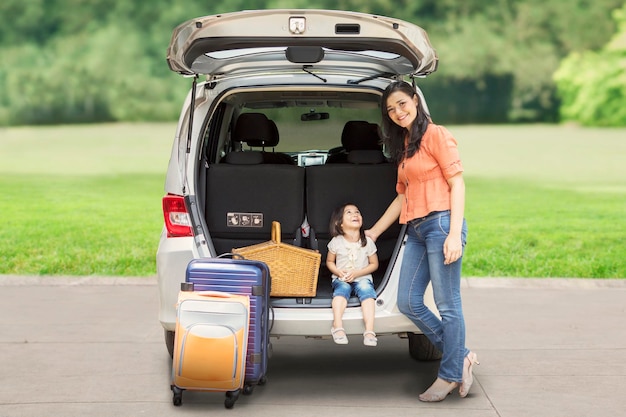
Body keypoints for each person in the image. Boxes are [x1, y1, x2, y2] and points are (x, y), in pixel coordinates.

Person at [365, 81, 479, 401]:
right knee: (409, 302)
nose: (398, 112)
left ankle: (449, 374)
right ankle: (462, 355)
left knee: (448, 305)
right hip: (414, 230)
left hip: (441, 225)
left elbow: (458, 184)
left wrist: (455, 234)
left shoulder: (436, 135)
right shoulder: (405, 143)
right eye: (391, 109)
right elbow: (402, 195)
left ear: (415, 100)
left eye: (402, 104)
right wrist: (374, 231)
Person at [326, 203, 379, 347]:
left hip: (362, 276)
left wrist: (357, 273)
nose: (355, 214)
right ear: (339, 223)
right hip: (342, 277)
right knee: (341, 291)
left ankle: (369, 331)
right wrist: (338, 272)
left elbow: (374, 264)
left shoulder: (367, 242)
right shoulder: (336, 242)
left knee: (367, 292)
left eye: (357, 212)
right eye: (348, 212)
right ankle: (337, 326)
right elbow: (330, 261)